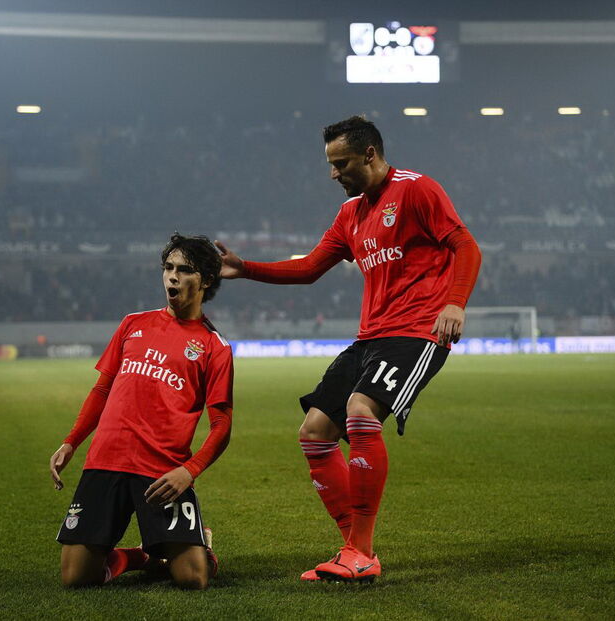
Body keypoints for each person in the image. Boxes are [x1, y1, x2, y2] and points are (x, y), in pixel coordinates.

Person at [216, 116, 481, 583]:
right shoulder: (350, 214)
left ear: (370, 155)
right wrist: (246, 268)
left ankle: (361, 550)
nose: (333, 174)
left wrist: (455, 303)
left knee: (360, 411)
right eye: (330, 165)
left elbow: (466, 246)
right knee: (315, 431)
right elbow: (310, 268)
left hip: (418, 331)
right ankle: (351, 548)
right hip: (371, 338)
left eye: (340, 164)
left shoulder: (417, 189)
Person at [49, 234, 233, 590]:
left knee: (193, 578)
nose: (172, 277)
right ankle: (141, 556)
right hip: (106, 460)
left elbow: (222, 425)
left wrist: (188, 471)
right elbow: (102, 389)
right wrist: (71, 442)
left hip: (162, 468)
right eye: (168, 268)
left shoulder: (214, 346)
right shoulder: (133, 324)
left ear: (206, 281)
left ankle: (201, 547)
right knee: (75, 577)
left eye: (184, 270)